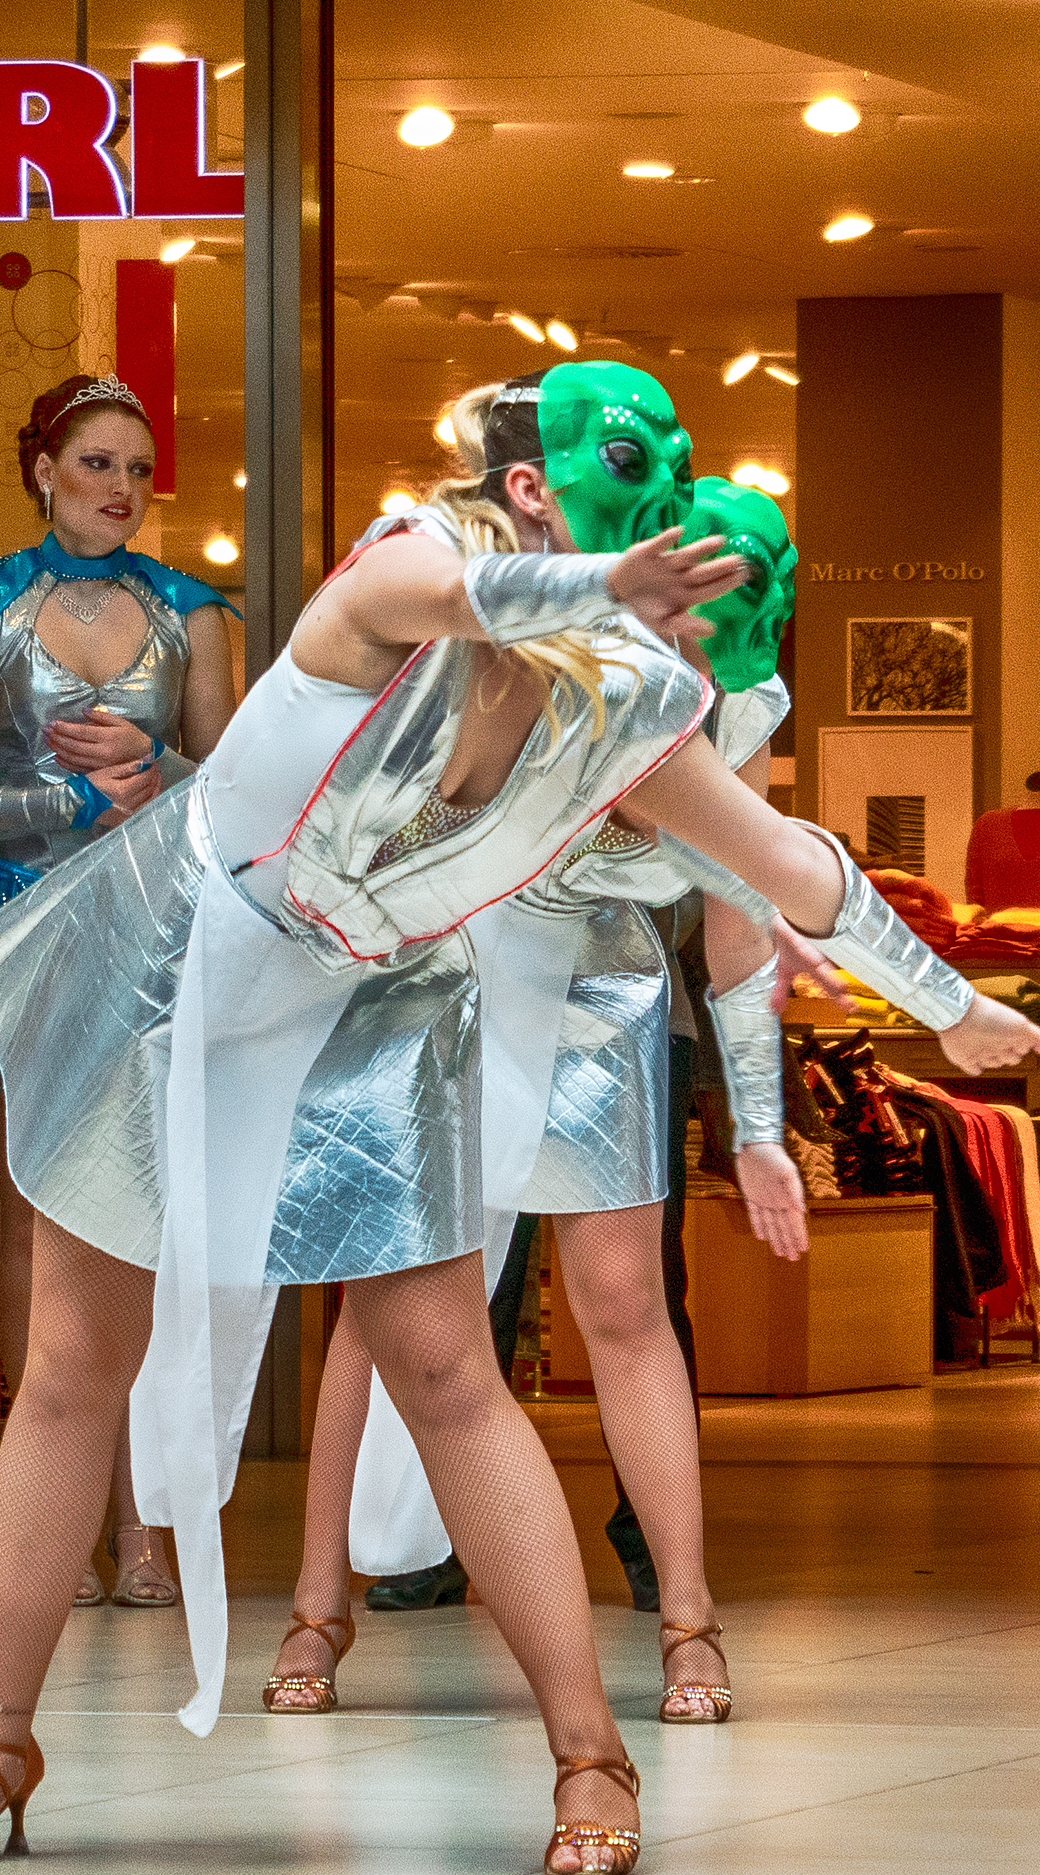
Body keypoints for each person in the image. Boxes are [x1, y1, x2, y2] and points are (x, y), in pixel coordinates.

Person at [0, 363, 1040, 1875]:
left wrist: (940, 1000)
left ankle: (589, 1752)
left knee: (445, 1360)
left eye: (674, 478)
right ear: (528, 496)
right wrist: (596, 580)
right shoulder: (395, 573)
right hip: (178, 958)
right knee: (70, 1365)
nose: (666, 516)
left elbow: (782, 857)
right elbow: (466, 594)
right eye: (627, 474)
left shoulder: (629, 699)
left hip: (378, 996)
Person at [266, 468, 808, 1727]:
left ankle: (687, 1618)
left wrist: (764, 1128)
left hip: (600, 996)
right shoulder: (543, 634)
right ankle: (313, 1603)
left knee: (623, 1299)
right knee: (377, 1304)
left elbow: (735, 930)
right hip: (435, 969)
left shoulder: (735, 699)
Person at [0, 372, 237, 1608]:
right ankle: (47, 1511)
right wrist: (58, 801)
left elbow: (233, 785)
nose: (120, 489)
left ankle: (144, 1521)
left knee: (153, 1228)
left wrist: (159, 768)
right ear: (42, 469)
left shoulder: (194, 613)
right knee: (34, 1221)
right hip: (19, 931)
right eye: (97, 463)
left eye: (137, 470)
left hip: (158, 933)